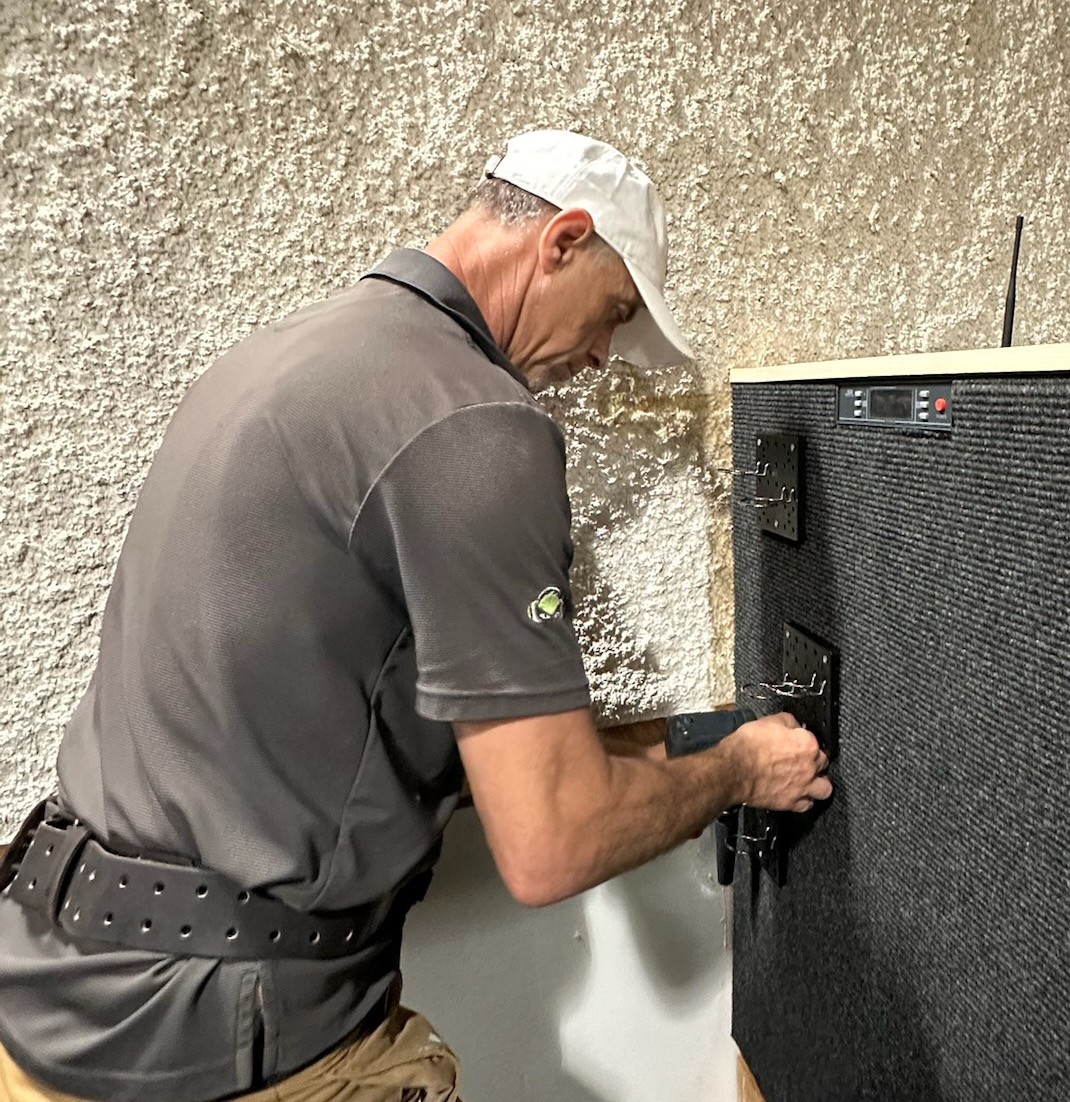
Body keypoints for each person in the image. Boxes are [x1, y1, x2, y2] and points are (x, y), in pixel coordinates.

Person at [0, 130, 832, 1102]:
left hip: (45, 991)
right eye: (612, 313)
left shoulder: (280, 358)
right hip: (220, 1045)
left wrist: (656, 741)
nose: (604, 356)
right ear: (561, 239)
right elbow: (551, 841)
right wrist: (739, 768)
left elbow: (333, 712)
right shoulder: (477, 426)